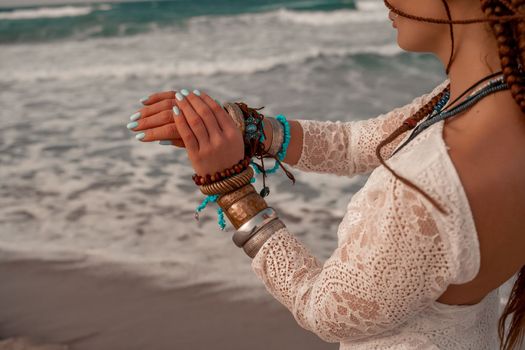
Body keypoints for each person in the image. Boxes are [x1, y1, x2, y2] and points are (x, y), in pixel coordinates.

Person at [125, 0, 525, 348]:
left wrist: (231, 189)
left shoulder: (428, 183)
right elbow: (352, 144)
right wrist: (246, 129)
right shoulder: (490, 97)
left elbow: (325, 309)